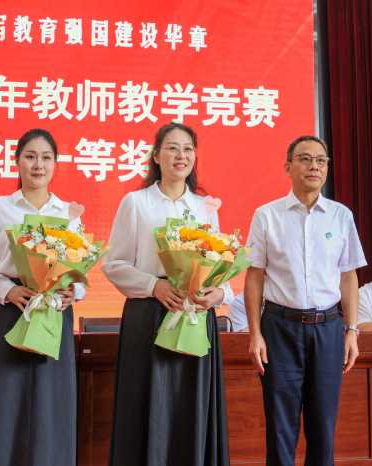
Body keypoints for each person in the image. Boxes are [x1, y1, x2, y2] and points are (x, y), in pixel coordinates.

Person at [101, 122, 233, 466]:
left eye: (188, 149)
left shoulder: (205, 207)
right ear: (156, 155)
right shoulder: (136, 202)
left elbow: (219, 266)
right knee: (148, 406)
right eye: (172, 148)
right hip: (150, 315)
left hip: (195, 315)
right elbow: (113, 264)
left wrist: (219, 295)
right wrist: (154, 285)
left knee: (192, 409)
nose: (181, 155)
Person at [245, 135, 366, 466]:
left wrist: (352, 330)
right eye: (305, 159)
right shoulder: (266, 215)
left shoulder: (341, 216)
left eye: (321, 160)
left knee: (323, 425)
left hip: (328, 329)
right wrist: (255, 334)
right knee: (280, 426)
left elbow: (348, 278)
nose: (314, 165)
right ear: (288, 167)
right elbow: (254, 277)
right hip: (279, 329)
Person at [0, 128, 85, 465]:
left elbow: (81, 268)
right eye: (30, 156)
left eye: (46, 157)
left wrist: (73, 291)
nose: (38, 165)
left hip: (53, 312)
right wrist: (7, 290)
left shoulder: (68, 213)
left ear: (55, 164)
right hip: (11, 309)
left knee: (52, 405)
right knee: (4, 405)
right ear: (17, 161)